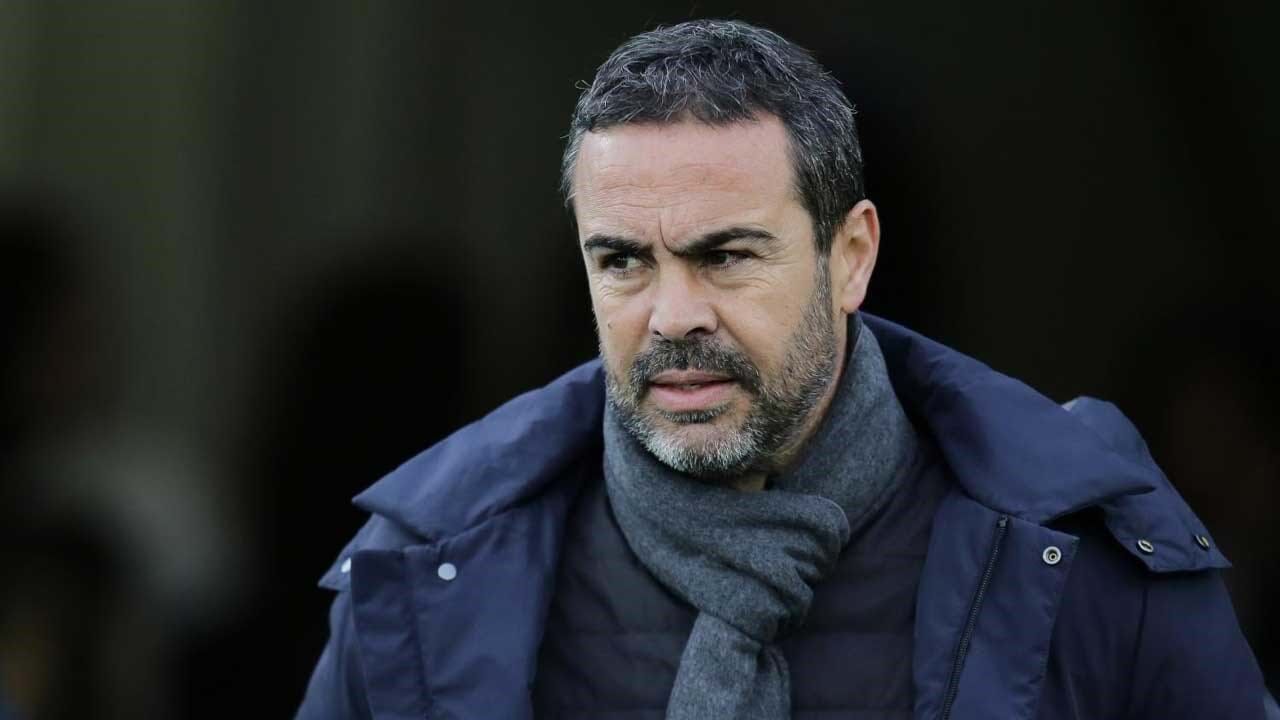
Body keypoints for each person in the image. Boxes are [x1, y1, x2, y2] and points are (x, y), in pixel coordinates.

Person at [296, 19, 1272, 719]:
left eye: (725, 255)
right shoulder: (428, 571)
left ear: (851, 256)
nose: (672, 316)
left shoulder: (1085, 554)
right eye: (623, 261)